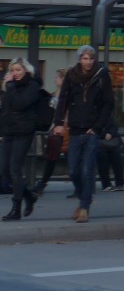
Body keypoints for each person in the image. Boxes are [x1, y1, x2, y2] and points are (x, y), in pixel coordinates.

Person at [51, 45, 115, 224]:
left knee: (87, 170)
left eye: (91, 59)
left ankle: (85, 207)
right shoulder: (72, 75)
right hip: (75, 129)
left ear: (94, 60)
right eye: (85, 58)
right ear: (80, 59)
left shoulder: (101, 75)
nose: (88, 62)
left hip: (92, 130)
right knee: (73, 171)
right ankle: (82, 198)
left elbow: (108, 103)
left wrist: (98, 126)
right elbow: (63, 99)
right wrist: (58, 123)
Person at [0, 58, 42, 221]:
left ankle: (16, 207)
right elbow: (5, 110)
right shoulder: (10, 87)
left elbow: (20, 104)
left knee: (15, 169)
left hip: (24, 131)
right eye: (13, 70)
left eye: (18, 70)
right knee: (4, 170)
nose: (15, 73)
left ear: (26, 70)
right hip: (9, 131)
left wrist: (10, 86)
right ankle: (29, 196)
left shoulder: (32, 85)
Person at [33, 69, 66, 197]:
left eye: (57, 77)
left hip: (63, 129)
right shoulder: (55, 94)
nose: (54, 80)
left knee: (54, 157)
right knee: (51, 157)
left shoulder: (66, 94)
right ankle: (42, 183)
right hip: (54, 129)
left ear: (63, 79)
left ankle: (42, 183)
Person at [96, 117, 124, 192]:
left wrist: (110, 133)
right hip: (101, 142)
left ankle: (119, 183)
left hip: (111, 141)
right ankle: (106, 184)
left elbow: (114, 126)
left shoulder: (108, 115)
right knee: (103, 164)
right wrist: (104, 134)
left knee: (117, 163)